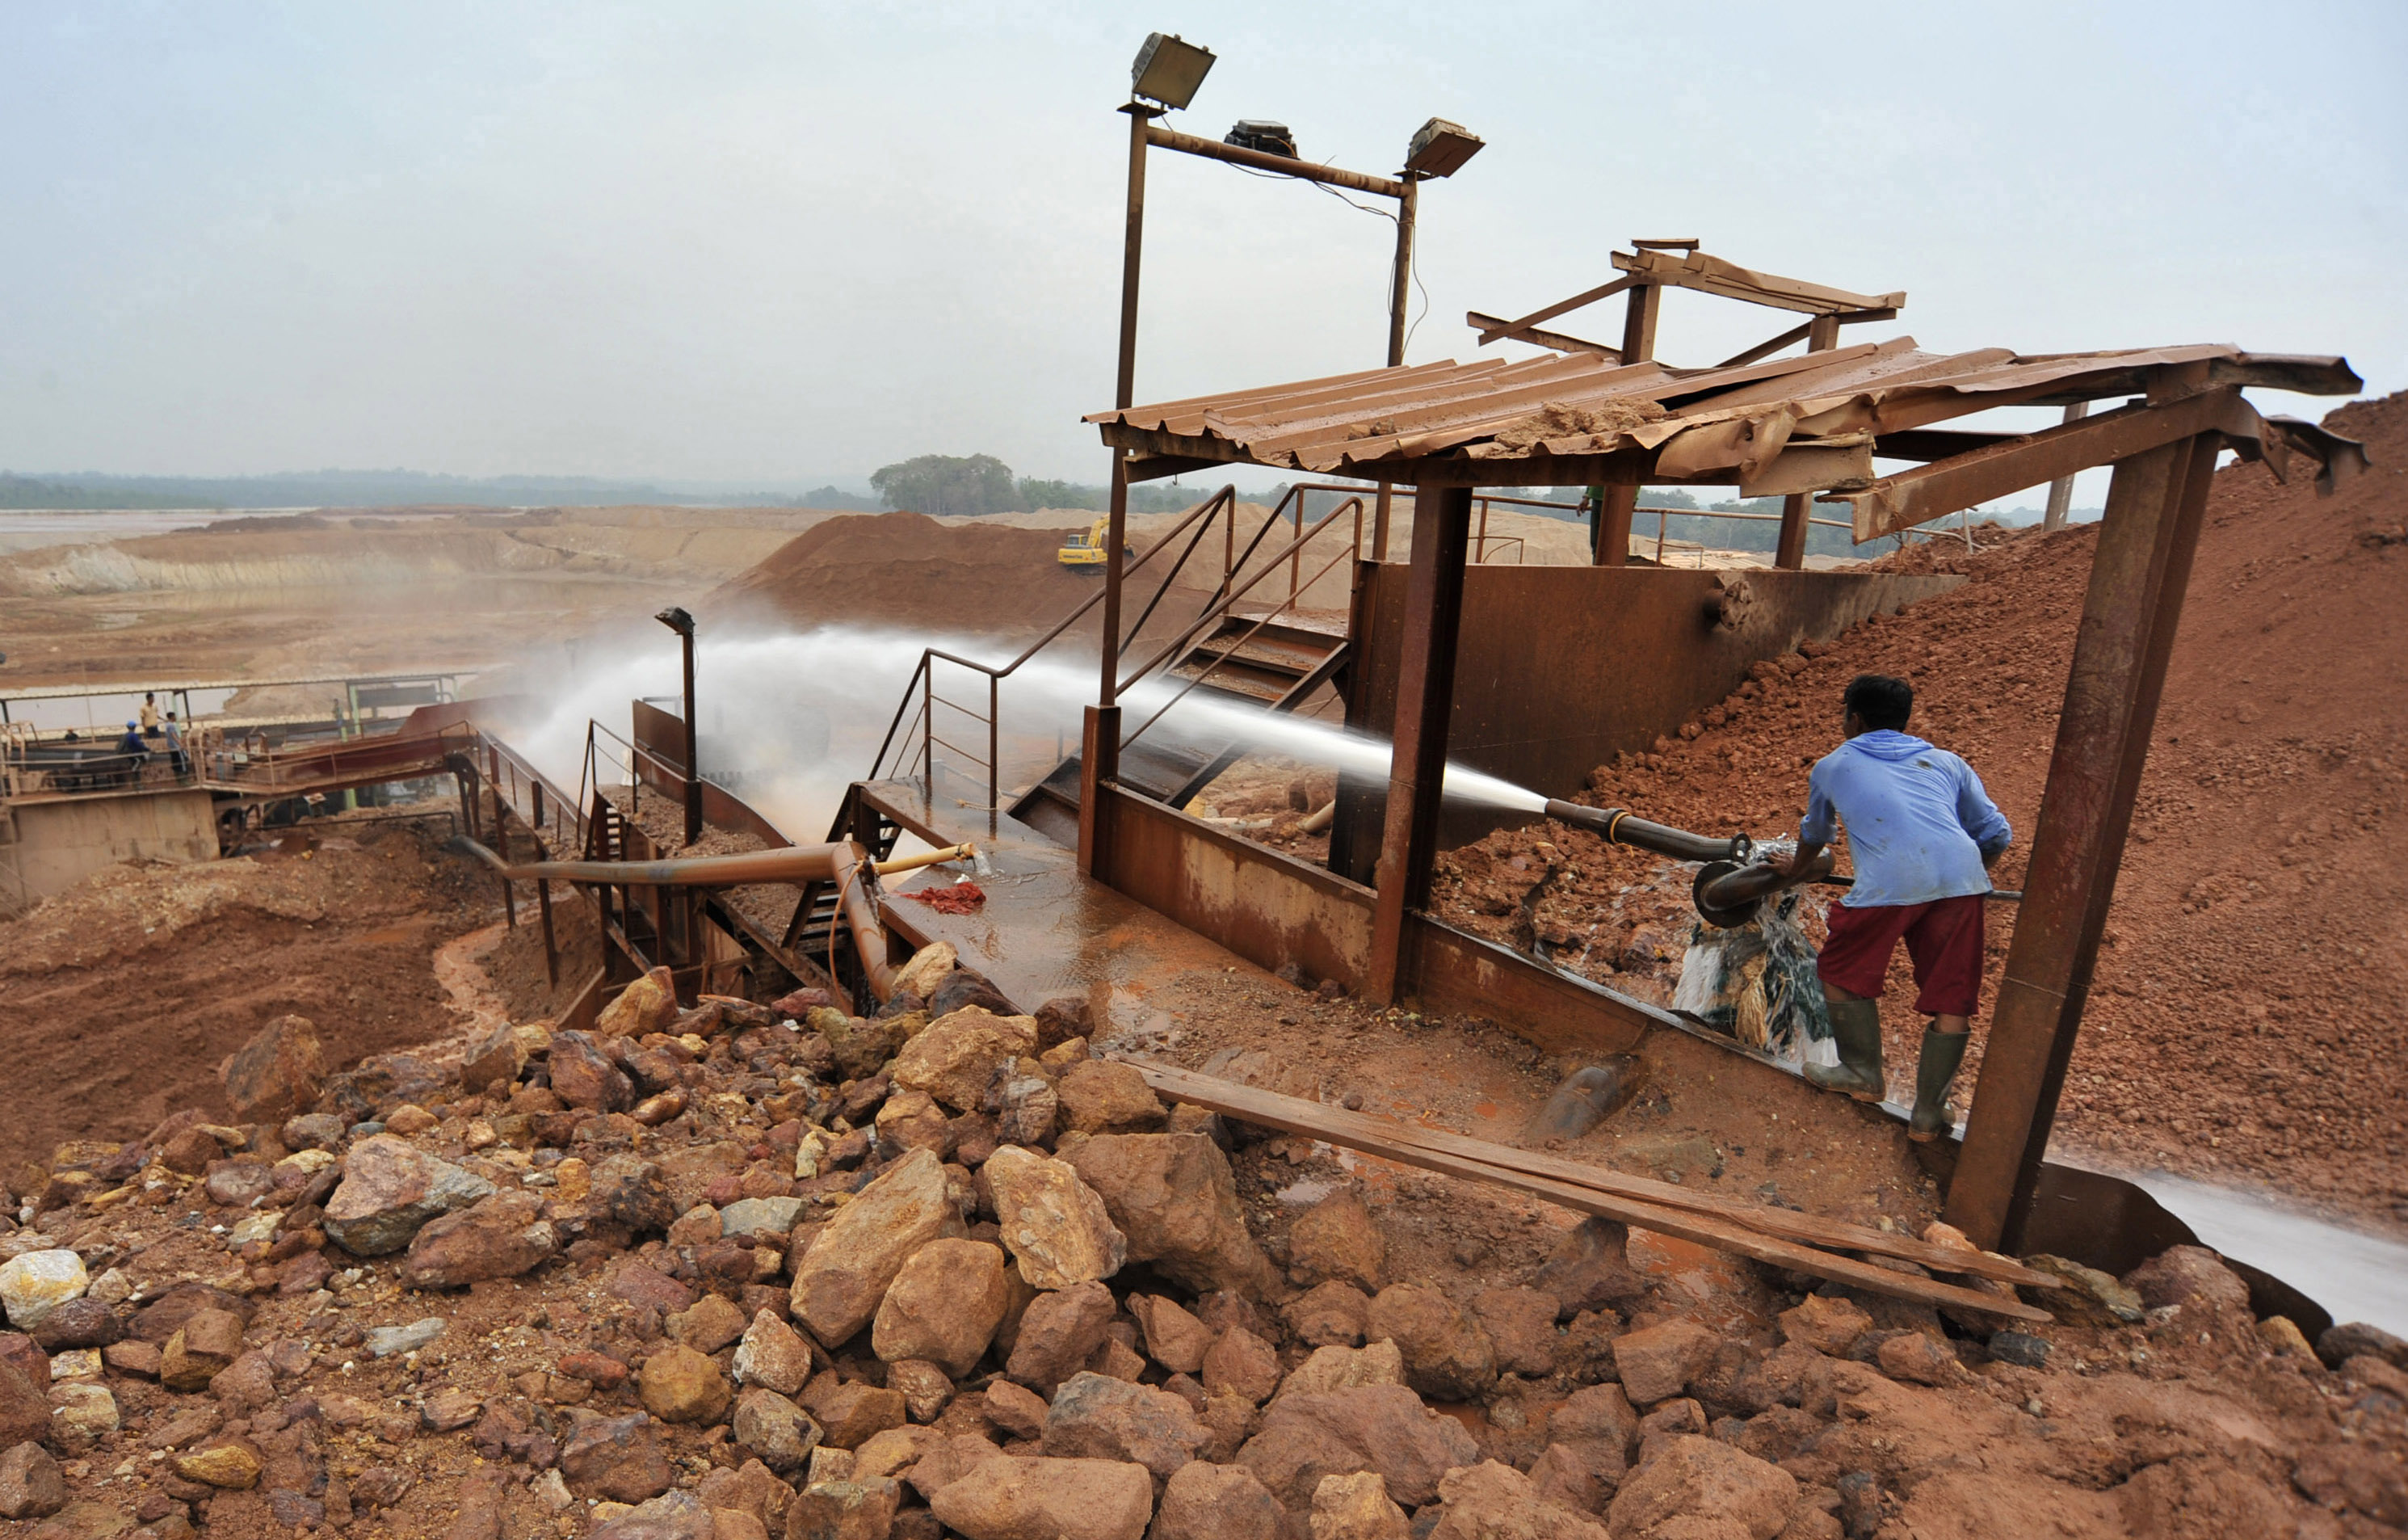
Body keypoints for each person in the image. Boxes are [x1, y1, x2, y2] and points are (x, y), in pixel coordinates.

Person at [1771, 674, 2011, 1140]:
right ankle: (1927, 1114)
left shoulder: (1832, 766)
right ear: (1905, 719)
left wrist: (1795, 872)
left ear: (1854, 719)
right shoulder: (1947, 762)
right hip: (1962, 880)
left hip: (1890, 882)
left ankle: (1863, 1072)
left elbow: (1816, 837)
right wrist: (1962, 877)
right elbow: (1996, 834)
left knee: (1839, 972)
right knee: (1952, 995)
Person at [114, 719, 149, 787]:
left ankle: (136, 784)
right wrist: (147, 749)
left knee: (135, 767)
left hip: (128, 753)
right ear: (135, 727)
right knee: (136, 768)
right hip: (133, 753)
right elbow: (138, 744)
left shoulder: (126, 735)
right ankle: (137, 785)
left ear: (127, 727)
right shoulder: (133, 735)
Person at [163, 711, 190, 779]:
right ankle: (183, 777)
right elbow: (173, 735)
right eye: (175, 716)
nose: (175, 718)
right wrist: (180, 744)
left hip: (172, 746)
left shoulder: (167, 725)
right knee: (182, 761)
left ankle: (178, 777)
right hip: (176, 746)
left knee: (175, 762)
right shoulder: (171, 725)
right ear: (172, 717)